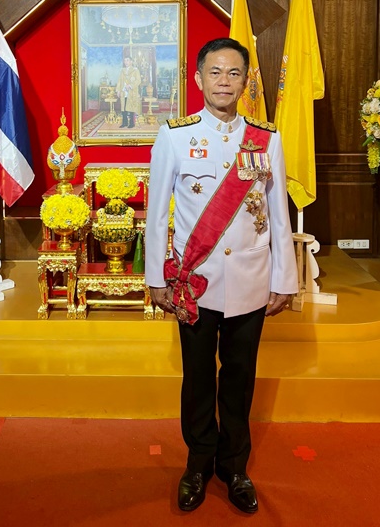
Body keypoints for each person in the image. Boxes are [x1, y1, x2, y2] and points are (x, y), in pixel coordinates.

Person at [145, 37, 298, 514]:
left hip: (250, 281)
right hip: (196, 282)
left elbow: (278, 214)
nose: (224, 82)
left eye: (234, 73)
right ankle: (197, 464)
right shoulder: (174, 136)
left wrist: (284, 279)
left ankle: (234, 467)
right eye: (215, 72)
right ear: (198, 78)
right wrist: (156, 278)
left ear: (246, 81)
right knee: (197, 379)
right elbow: (156, 214)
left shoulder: (266, 139)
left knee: (239, 378)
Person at [116, 55, 142, 128]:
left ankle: (131, 123)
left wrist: (130, 85)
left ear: (131, 61)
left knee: (131, 107)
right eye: (125, 60)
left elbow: (138, 80)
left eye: (127, 60)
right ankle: (124, 123)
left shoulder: (135, 70)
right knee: (123, 107)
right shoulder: (122, 71)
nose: (126, 62)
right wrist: (118, 90)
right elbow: (119, 81)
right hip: (123, 91)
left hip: (131, 92)